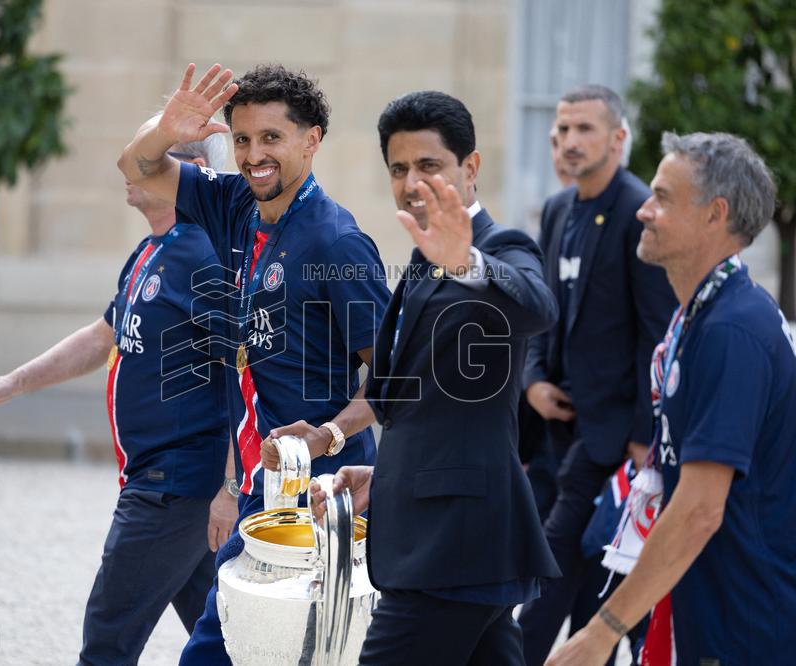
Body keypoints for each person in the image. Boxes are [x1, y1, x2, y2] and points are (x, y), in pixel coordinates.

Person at [118, 62, 390, 665]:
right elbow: (136, 166)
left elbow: (395, 379)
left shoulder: (336, 242)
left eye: (271, 137)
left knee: (249, 650)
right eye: (242, 139)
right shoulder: (235, 204)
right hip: (260, 485)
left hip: (324, 496)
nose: (253, 155)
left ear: (311, 140)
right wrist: (166, 132)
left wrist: (328, 434)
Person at [0, 135, 235, 665]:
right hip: (164, 482)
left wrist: (230, 487)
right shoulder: (152, 248)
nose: (130, 166)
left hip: (173, 487)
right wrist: (13, 383)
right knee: (228, 640)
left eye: (150, 159)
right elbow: (101, 337)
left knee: (107, 640)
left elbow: (243, 369)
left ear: (193, 171)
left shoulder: (204, 254)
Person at [547, 131, 796, 666]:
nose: (643, 210)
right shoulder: (702, 315)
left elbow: (699, 509)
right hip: (709, 610)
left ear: (715, 214)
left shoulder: (732, 329)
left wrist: (602, 632)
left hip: (746, 625)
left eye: (662, 197)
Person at [312, 91, 560, 665]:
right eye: (398, 169)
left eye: (429, 165)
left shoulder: (496, 248)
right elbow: (415, 407)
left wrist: (465, 261)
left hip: (454, 548)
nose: (411, 183)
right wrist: (383, 477)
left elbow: (539, 306)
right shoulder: (423, 261)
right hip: (453, 544)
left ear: (470, 168)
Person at [517, 85, 675, 666]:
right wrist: (533, 379)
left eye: (584, 129)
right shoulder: (559, 208)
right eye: (562, 129)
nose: (569, 141)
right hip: (554, 431)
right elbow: (540, 311)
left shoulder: (639, 213)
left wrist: (643, 436)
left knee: (549, 567)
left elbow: (656, 334)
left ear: (618, 138)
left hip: (611, 438)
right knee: (586, 580)